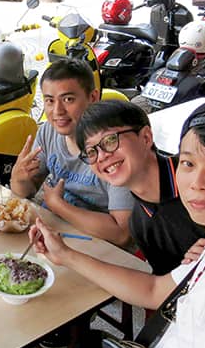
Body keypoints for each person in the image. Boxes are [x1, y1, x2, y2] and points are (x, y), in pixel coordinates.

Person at [31, 98, 205, 348]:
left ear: (147, 137)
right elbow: (156, 290)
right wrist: (64, 255)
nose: (197, 183)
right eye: (188, 163)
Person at [10, 59, 136, 247]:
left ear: (93, 97)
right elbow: (25, 192)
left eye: (68, 99)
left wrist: (58, 206)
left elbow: (121, 234)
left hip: (99, 246)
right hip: (52, 234)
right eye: (49, 100)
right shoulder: (48, 132)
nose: (57, 111)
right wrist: (18, 178)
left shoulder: (115, 149)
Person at [76, 100, 205, 275]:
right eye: (91, 152)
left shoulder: (196, 173)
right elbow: (167, 284)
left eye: (110, 140)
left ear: (146, 137)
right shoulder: (139, 223)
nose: (101, 156)